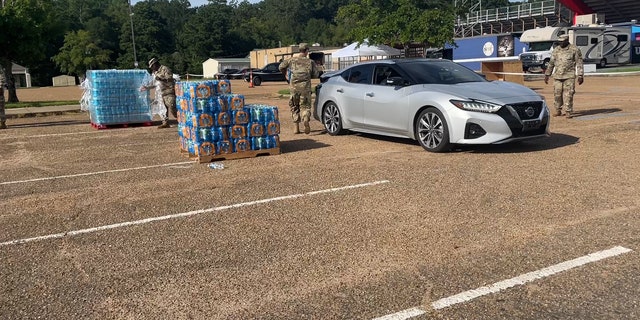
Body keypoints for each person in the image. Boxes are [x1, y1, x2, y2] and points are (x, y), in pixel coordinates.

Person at [279, 43, 319, 134]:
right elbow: (316, 74)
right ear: (307, 51)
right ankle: (305, 118)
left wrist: (285, 74)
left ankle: (296, 128)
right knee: (305, 106)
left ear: (299, 50)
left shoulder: (291, 60)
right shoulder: (310, 62)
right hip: (305, 88)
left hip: (294, 88)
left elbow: (281, 66)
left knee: (294, 107)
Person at [544, 34, 584, 119]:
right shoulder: (556, 50)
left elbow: (579, 63)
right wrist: (547, 74)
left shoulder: (574, 49)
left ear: (567, 41)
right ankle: (558, 110)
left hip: (569, 76)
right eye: (559, 42)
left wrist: (580, 75)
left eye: (562, 42)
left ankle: (568, 111)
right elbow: (551, 63)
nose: (560, 43)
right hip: (558, 76)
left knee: (569, 94)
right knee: (557, 94)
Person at [147, 57, 177, 128]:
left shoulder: (165, 69)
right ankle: (165, 123)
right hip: (161, 92)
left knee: (172, 106)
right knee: (162, 109)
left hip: (168, 91)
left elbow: (170, 78)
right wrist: (147, 87)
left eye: (152, 66)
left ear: (155, 64)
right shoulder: (155, 72)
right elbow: (154, 83)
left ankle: (181, 119)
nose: (152, 68)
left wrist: (161, 78)